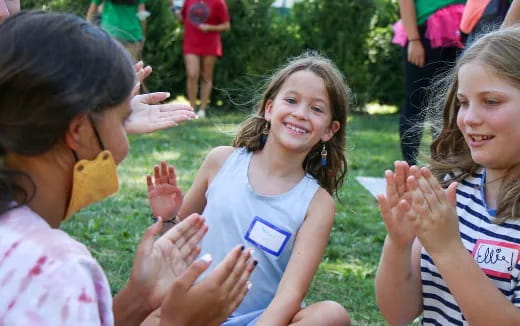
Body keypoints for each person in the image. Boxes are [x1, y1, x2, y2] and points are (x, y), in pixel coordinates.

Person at [0, 11, 256, 325]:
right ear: (79, 131)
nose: (124, 145)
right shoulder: (57, 273)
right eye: (123, 120)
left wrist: (139, 297)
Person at [146, 52, 351, 325]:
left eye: (317, 109)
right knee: (147, 315)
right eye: (291, 100)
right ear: (269, 109)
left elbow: (290, 294)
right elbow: (172, 249)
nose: (300, 114)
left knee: (331, 315)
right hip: (192, 313)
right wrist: (168, 217)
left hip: (259, 320)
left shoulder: (317, 203)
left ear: (329, 130)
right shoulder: (220, 161)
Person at [376, 26, 520, 325]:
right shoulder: (456, 187)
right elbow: (399, 313)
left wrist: (448, 250)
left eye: (491, 101)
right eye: (464, 102)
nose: (469, 118)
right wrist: (399, 243)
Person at [392, 0, 465, 165]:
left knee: (448, 104)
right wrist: (414, 40)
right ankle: (408, 166)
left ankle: (443, 167)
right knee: (415, 102)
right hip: (425, 33)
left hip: (459, 29)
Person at [175, 0, 230, 118]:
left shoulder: (218, 2)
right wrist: (173, 8)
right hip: (190, 42)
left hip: (210, 43)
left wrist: (209, 27)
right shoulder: (188, 1)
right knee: (192, 74)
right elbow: (182, 20)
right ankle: (192, 109)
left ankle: (202, 110)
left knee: (206, 76)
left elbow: (226, 25)